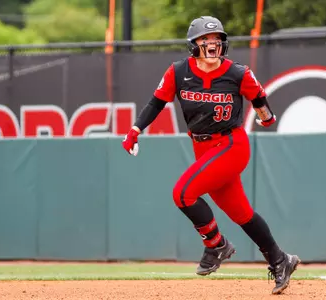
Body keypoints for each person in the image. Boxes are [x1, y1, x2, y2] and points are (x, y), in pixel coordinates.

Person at [122, 16, 301, 295]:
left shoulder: (237, 73)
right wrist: (135, 129)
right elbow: (157, 101)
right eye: (206, 40)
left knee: (182, 193)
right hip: (203, 147)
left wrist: (266, 116)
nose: (212, 44)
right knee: (241, 213)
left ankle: (216, 245)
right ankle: (280, 260)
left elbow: (259, 98)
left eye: (216, 39)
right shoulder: (179, 71)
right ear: (194, 44)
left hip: (231, 145)